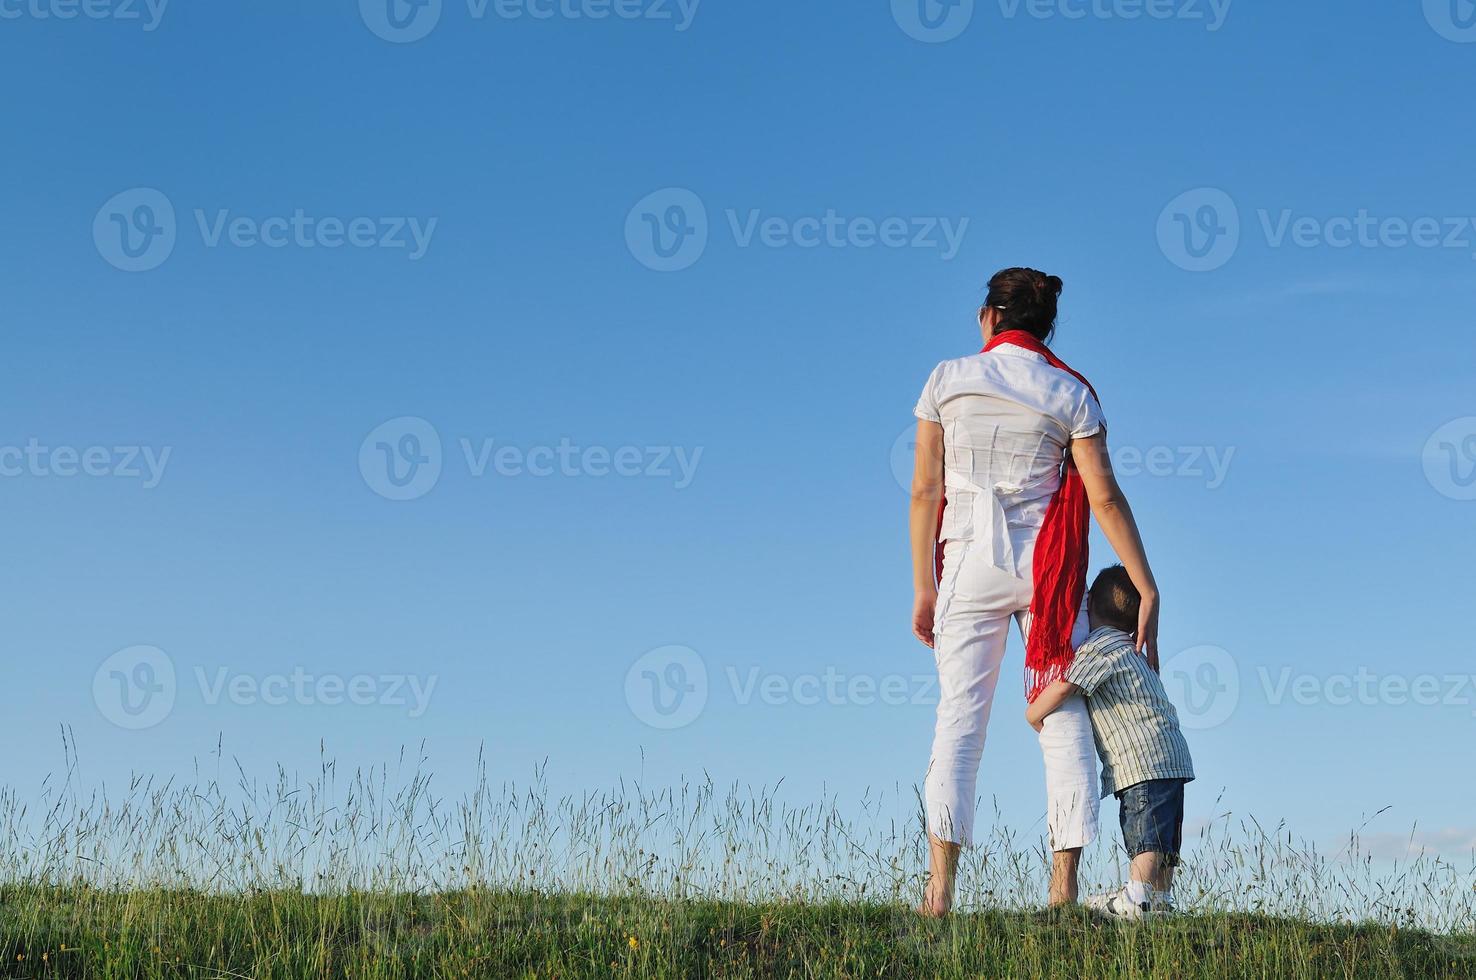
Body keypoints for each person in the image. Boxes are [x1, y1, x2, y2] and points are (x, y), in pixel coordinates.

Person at [909, 267, 1161, 916]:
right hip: (1047, 575)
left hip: (967, 566)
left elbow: (924, 492)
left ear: (989, 317)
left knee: (959, 722)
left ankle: (938, 894)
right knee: (1062, 716)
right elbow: (1101, 496)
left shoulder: (946, 379)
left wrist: (924, 588)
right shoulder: (1070, 391)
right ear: (1047, 324)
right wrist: (1145, 585)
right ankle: (1063, 892)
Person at [1026, 565, 1195, 920]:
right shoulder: (1131, 649)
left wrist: (1033, 713)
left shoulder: (1099, 647)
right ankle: (1157, 901)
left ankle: (1138, 895)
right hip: (1171, 757)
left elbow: (1066, 685)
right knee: (1163, 836)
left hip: (1141, 760)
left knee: (1144, 832)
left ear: (1091, 609)